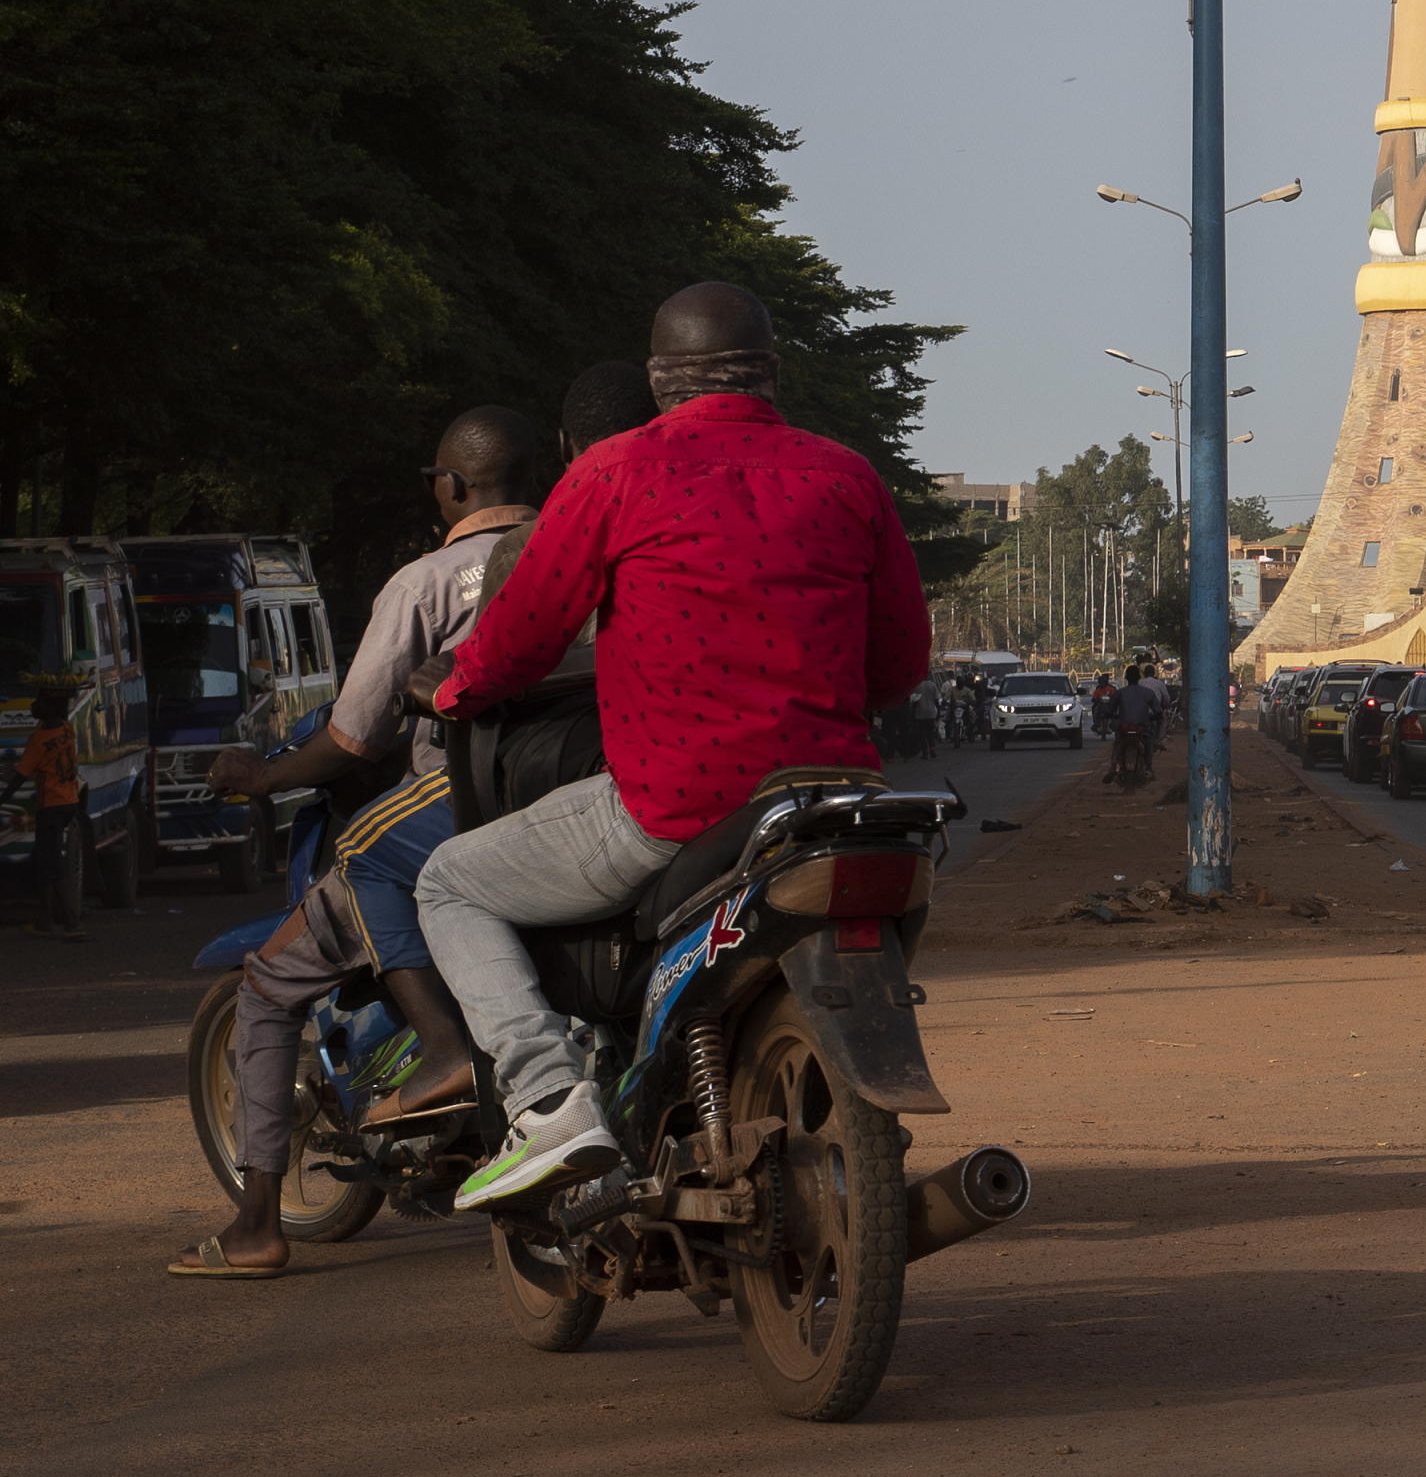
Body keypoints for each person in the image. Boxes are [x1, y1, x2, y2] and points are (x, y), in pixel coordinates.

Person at [418, 282, 930, 1210]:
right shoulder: (846, 475)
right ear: (771, 373)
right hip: (831, 802)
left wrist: (456, 685)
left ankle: (545, 1098)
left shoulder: (616, 472)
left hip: (674, 804)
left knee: (448, 880)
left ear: (661, 381)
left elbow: (527, 632)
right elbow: (900, 658)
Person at [168, 405, 548, 1279]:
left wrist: (257, 775)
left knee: (269, 985)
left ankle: (257, 1224)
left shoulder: (423, 583)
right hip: (570, 813)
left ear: (449, 487)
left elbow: (351, 739)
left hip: (448, 812)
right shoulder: (580, 560)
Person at [9, 687, 86, 942]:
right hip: (69, 801)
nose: (34, 706)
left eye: (40, 702)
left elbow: (20, 776)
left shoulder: (39, 740)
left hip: (50, 806)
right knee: (48, 864)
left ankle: (69, 921)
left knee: (50, 866)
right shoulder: (66, 729)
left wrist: (3, 798)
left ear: (50, 707)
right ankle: (47, 920)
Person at [1106, 663, 1163, 783]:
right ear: (1139, 678)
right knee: (1149, 743)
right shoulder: (1148, 693)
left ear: (1126, 678)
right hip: (1142, 728)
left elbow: (1109, 711)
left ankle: (1112, 767)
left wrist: (1111, 716)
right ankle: (1148, 767)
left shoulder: (1119, 693)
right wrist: (1153, 718)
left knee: (1117, 742)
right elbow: (1158, 712)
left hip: (1124, 728)